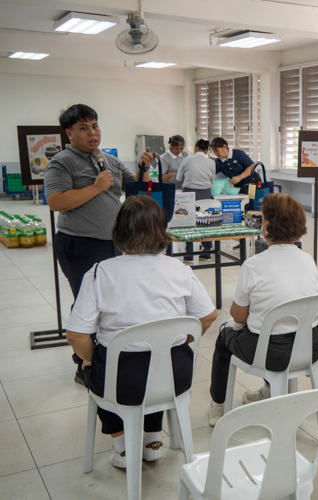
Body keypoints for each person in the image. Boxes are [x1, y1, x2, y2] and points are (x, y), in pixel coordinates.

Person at [65, 195, 217, 469]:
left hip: (123, 381)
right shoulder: (179, 269)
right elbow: (208, 316)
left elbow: (77, 335)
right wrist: (182, 339)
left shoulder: (100, 272)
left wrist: (89, 360)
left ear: (118, 231)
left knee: (96, 365)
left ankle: (123, 449)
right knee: (156, 362)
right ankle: (153, 441)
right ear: (162, 231)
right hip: (176, 375)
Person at [44, 103, 152, 386]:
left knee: (110, 302)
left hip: (115, 243)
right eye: (83, 128)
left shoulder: (109, 160)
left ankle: (107, 354)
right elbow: (55, 201)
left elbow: (134, 189)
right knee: (87, 302)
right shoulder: (62, 161)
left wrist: (143, 169)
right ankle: (84, 365)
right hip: (79, 244)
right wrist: (94, 187)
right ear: (69, 133)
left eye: (95, 126)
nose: (92, 133)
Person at [208, 193, 318, 425]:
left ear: (266, 225)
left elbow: (238, 317)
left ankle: (218, 404)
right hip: (311, 347)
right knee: (265, 332)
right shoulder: (308, 259)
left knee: (225, 337)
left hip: (272, 355)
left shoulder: (253, 265)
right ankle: (268, 389)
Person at [176, 139, 216, 262]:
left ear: (195, 148)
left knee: (188, 223)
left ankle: (189, 254)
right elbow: (212, 181)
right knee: (206, 222)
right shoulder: (211, 162)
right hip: (205, 194)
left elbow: (178, 178)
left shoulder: (186, 160)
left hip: (188, 193)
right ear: (206, 150)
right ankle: (207, 252)